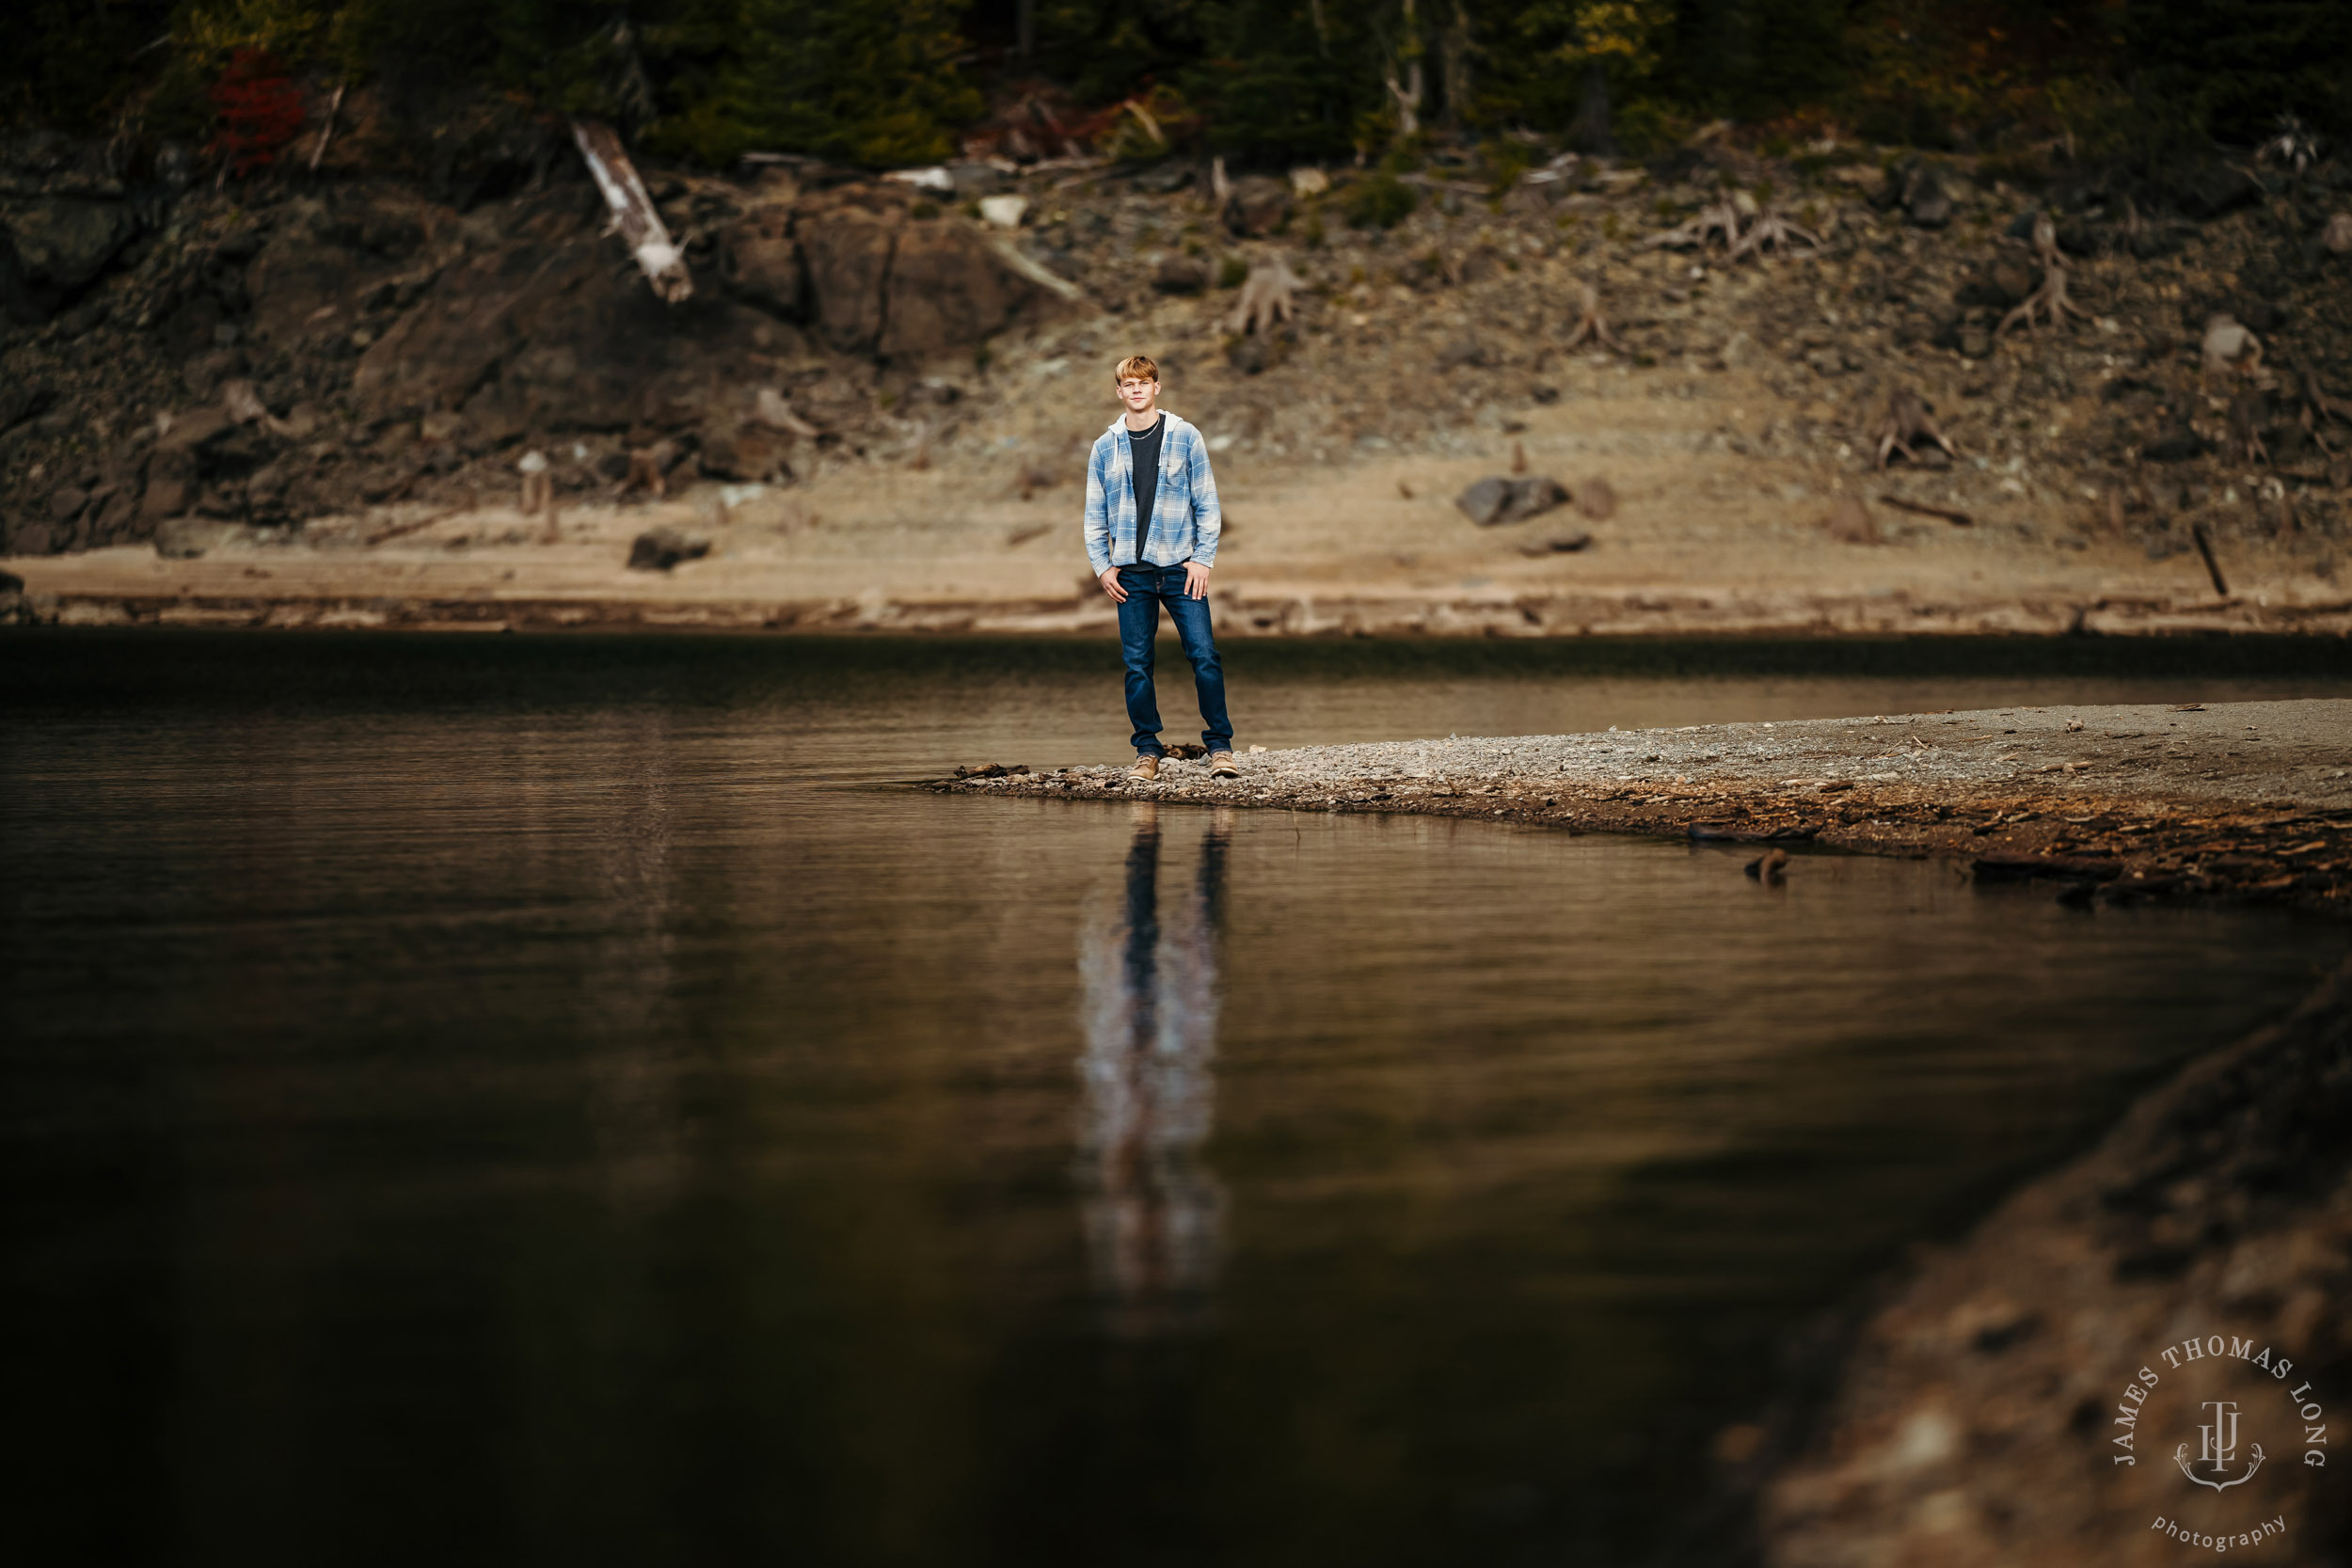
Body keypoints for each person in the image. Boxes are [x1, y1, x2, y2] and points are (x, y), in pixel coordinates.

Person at [1083, 355, 1239, 782]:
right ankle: (1147, 752)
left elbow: (1207, 502)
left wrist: (1203, 558)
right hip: (1130, 573)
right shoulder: (1104, 447)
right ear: (1119, 392)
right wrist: (1102, 567)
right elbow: (1095, 515)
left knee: (1205, 655)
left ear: (1156, 388)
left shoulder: (1186, 436)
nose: (1136, 389)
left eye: (1143, 382)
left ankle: (1220, 747)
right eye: (1127, 384)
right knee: (1137, 663)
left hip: (1180, 569)